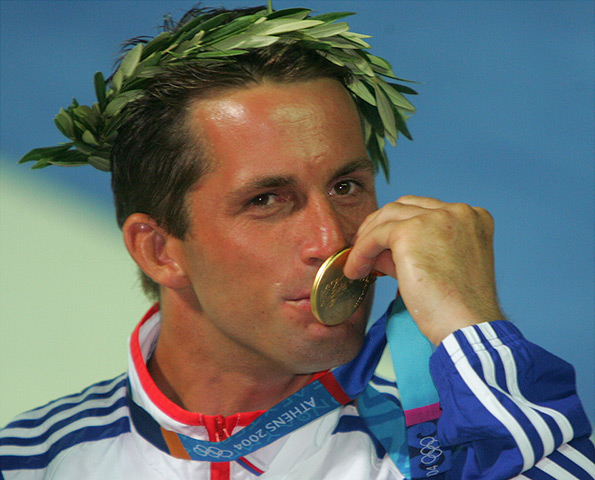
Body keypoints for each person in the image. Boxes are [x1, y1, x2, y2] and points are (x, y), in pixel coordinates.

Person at [1, 4, 593, 480]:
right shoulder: (33, 463)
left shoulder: (446, 449)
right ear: (160, 250)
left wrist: (474, 330)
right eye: (266, 201)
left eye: (346, 186)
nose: (332, 238)